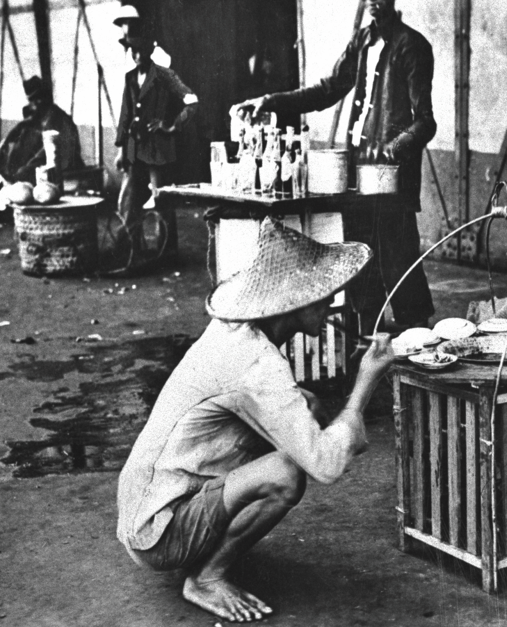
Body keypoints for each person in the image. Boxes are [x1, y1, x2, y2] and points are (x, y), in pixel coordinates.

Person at [117, 218, 395, 622]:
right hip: (158, 534)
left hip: (146, 501)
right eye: (323, 296)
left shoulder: (234, 330)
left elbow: (288, 406)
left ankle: (213, 537)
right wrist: (365, 385)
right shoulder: (257, 365)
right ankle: (207, 577)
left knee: (307, 404)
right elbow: (327, 466)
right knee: (287, 473)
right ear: (293, 303)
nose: (332, 304)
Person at [232, 0, 436, 336]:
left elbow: (425, 122)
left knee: (399, 259)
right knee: (360, 259)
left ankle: (419, 341)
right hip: (356, 173)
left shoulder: (412, 46)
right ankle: (369, 342)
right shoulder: (363, 41)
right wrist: (271, 102)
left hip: (390, 178)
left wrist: (394, 147)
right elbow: (327, 90)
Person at [115, 33, 198, 266]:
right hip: (134, 148)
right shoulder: (130, 77)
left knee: (161, 200)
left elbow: (192, 101)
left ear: (150, 51)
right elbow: (125, 114)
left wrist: (171, 125)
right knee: (129, 201)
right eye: (133, 51)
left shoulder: (164, 75)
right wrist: (121, 148)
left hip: (158, 150)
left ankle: (166, 253)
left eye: (141, 50)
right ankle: (133, 251)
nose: (137, 55)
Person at [0, 76, 83, 183]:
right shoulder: (41, 115)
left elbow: (47, 151)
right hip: (45, 165)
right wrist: (6, 141)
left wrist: (24, 171)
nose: (31, 105)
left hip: (65, 168)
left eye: (33, 101)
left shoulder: (57, 118)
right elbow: (23, 125)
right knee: (24, 136)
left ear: (40, 100)